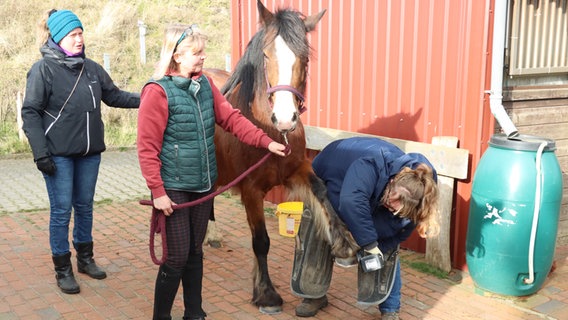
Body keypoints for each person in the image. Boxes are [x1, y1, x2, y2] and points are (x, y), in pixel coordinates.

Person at [136, 23, 287, 320]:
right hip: (175, 187)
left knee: (195, 253)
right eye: (197, 52)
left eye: (203, 51)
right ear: (176, 56)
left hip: (204, 184)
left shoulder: (204, 84)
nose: (203, 57)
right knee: (176, 257)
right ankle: (161, 316)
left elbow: (232, 119)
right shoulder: (157, 93)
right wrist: (158, 192)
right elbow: (146, 148)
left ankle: (195, 313)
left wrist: (266, 142)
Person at [21, 9, 140, 294]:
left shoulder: (92, 68)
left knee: (84, 207)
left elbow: (115, 96)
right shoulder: (43, 70)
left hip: (89, 155)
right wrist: (41, 154)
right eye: (73, 35)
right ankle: (63, 269)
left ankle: (85, 260)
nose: (79, 39)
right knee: (61, 211)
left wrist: (149, 96)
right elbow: (30, 113)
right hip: (58, 156)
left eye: (81, 33)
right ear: (59, 37)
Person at [294, 137, 440, 320]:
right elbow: (350, 201)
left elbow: (399, 233)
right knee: (320, 234)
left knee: (386, 253)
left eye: (400, 208)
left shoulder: (421, 196)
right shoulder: (372, 164)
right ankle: (313, 295)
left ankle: (390, 308)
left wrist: (378, 250)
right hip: (328, 175)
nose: (392, 206)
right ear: (393, 180)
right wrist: (369, 244)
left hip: (365, 191)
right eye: (393, 199)